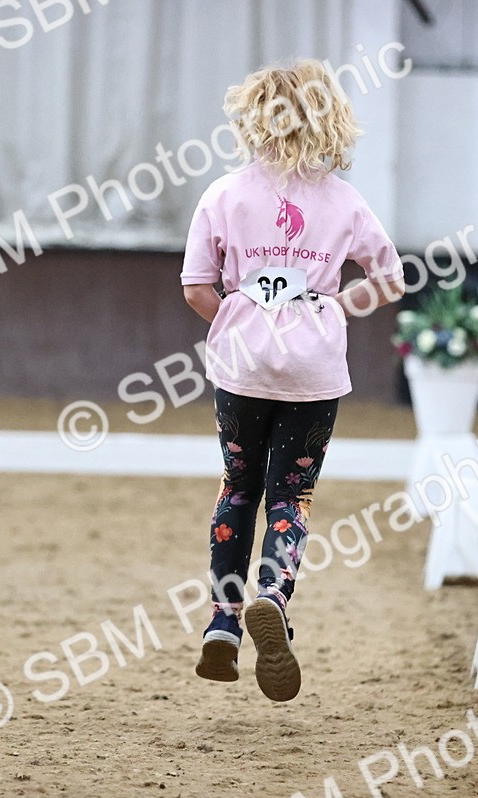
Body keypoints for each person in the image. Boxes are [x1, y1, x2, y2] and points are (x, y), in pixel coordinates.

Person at [181, 60, 406, 701]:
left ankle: (223, 623)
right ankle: (273, 596)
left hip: (242, 366)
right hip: (313, 368)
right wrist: (334, 308)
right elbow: (391, 279)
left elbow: (196, 287)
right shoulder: (344, 200)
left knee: (237, 488)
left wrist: (239, 320)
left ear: (255, 116)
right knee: (291, 494)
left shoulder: (224, 194)